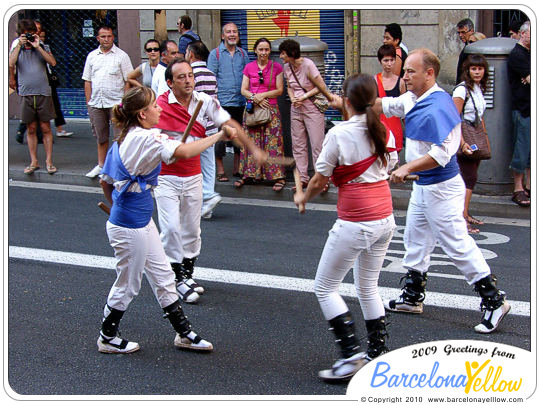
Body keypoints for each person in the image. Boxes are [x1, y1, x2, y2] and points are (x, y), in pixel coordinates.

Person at [366, 48, 510, 334]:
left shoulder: (441, 105)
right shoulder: (413, 98)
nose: (404, 75)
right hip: (424, 185)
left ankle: (493, 299)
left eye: (411, 71)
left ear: (429, 73)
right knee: (415, 237)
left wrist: (406, 168)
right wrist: (352, 97)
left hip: (442, 186)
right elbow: (386, 105)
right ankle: (413, 296)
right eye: (405, 70)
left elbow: (442, 154)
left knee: (456, 243)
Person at [97, 86, 235, 354]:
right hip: (129, 226)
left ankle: (183, 334)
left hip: (136, 221)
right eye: (154, 106)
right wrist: (218, 134)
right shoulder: (143, 139)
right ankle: (107, 336)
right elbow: (183, 152)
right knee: (128, 283)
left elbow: (106, 181)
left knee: (163, 276)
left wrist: (119, 206)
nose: (159, 109)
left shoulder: (127, 137)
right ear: (141, 114)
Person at [295, 74, 398, 381]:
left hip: (356, 221)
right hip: (385, 219)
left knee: (325, 287)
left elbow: (320, 178)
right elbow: (388, 168)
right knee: (368, 286)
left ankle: (351, 355)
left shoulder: (339, 133)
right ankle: (377, 354)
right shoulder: (384, 131)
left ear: (347, 101)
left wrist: (303, 197)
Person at [153, 59, 266, 304]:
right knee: (171, 228)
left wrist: (250, 147)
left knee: (192, 230)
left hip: (193, 176)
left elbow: (228, 123)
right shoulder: (159, 105)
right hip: (165, 177)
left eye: (190, 76)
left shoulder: (204, 102)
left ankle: (187, 275)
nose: (188, 81)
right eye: (181, 77)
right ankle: (176, 280)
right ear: (170, 83)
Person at [82, 25, 133, 178]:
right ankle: (101, 166)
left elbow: (128, 80)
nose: (106, 39)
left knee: (119, 137)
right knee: (101, 136)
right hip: (97, 103)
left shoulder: (122, 56)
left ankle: (119, 167)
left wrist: (124, 103)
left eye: (109, 36)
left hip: (116, 103)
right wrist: (89, 102)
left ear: (113, 37)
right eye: (103, 36)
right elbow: (87, 80)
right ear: (98, 38)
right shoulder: (92, 56)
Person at [8, 19, 58, 175]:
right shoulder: (18, 47)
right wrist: (19, 45)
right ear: (20, 35)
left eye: (31, 33)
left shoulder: (42, 46)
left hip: (43, 92)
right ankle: (34, 161)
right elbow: (11, 63)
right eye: (25, 34)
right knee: (31, 128)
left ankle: (49, 161)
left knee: (45, 127)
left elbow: (52, 62)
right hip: (26, 92)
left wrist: (38, 46)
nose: (29, 37)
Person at [279, 38, 328, 192]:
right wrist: (293, 97)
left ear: (291, 53)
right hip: (296, 108)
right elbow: (289, 87)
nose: (281, 56)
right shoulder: (287, 67)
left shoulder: (308, 65)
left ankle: (322, 179)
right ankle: (302, 178)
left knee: (317, 144)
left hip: (312, 106)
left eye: (283, 53)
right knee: (298, 144)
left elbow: (321, 86)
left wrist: (304, 97)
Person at [237, 37, 286, 191]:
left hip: (270, 109)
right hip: (253, 109)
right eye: (260, 49)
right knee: (251, 142)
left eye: (266, 49)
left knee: (273, 143)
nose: (263, 52)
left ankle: (277, 176)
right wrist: (255, 98)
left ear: (270, 51)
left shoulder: (276, 67)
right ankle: (249, 174)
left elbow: (279, 90)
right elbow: (243, 89)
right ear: (255, 51)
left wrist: (263, 96)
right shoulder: (249, 67)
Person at [208, 22, 251, 181]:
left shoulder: (243, 54)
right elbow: (211, 78)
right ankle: (220, 169)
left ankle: (237, 167)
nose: (232, 34)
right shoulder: (215, 54)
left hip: (240, 102)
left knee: (238, 134)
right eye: (228, 32)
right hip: (222, 102)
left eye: (234, 32)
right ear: (222, 35)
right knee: (221, 136)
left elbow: (248, 76)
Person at [452, 54, 489, 233]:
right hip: (464, 136)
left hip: (475, 136)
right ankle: (461, 218)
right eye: (473, 69)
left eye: (480, 68)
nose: (477, 72)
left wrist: (484, 137)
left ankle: (465, 213)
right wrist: (462, 142)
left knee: (471, 177)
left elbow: (480, 117)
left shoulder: (478, 88)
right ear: (467, 70)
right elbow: (454, 117)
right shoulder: (461, 90)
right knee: (468, 177)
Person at [185, 40, 222, 219]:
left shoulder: (191, 75)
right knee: (209, 165)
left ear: (191, 54)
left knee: (194, 166)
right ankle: (207, 202)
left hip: (197, 127)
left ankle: (206, 196)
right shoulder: (211, 74)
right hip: (211, 126)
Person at [507, 21, 531, 207]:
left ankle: (528, 186)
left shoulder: (531, 54)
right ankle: (517, 188)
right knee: (521, 150)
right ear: (523, 34)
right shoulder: (517, 54)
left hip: (530, 108)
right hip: (523, 109)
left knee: (530, 152)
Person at [374, 44, 406, 152]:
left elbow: (404, 109)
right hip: (379, 127)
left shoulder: (401, 82)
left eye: (392, 60)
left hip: (395, 127)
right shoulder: (374, 81)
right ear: (380, 61)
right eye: (386, 60)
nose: (389, 64)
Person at [455, 18, 481, 84]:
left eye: (463, 32)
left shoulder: (474, 48)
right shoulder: (467, 47)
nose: (460, 35)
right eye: (459, 33)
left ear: (471, 31)